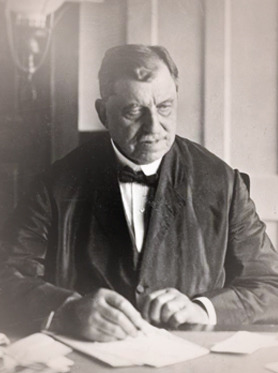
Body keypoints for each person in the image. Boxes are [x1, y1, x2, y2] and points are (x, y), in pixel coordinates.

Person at [1, 44, 278, 342]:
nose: (153, 127)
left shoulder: (224, 183)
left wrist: (203, 309)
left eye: (164, 107)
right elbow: (7, 278)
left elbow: (270, 286)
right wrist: (68, 309)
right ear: (103, 113)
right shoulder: (54, 185)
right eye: (134, 111)